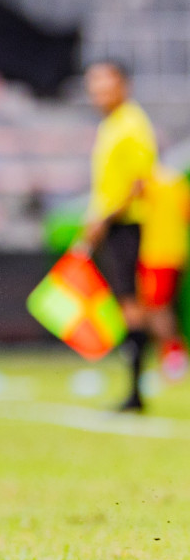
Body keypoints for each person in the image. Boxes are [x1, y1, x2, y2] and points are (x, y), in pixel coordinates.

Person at [71, 60, 189, 411]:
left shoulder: (132, 124)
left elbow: (138, 182)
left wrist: (103, 220)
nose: (98, 92)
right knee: (131, 306)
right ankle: (137, 388)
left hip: (128, 225)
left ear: (123, 85)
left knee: (135, 307)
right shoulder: (114, 124)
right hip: (117, 224)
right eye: (94, 85)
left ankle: (139, 389)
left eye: (105, 84)